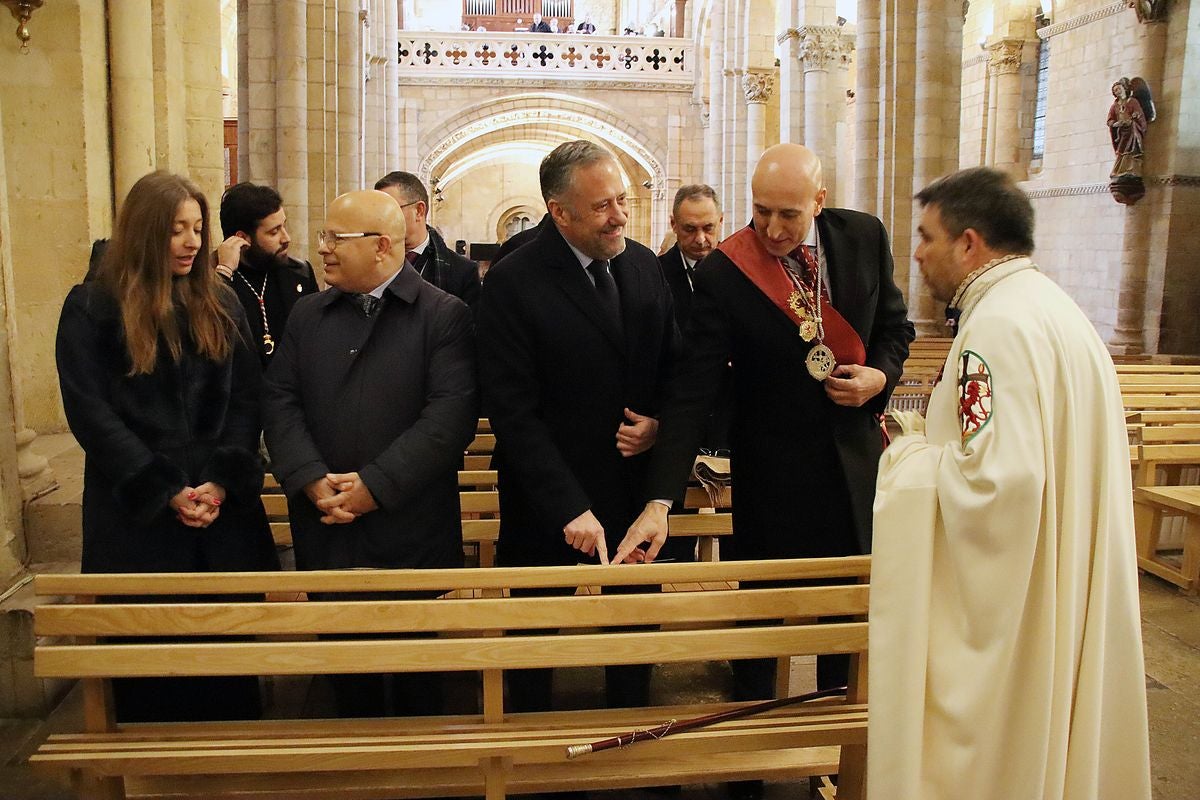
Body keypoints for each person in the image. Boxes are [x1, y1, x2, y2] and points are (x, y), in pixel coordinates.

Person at [868, 167, 1152, 799]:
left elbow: (999, 487)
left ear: (969, 243)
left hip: (1017, 609)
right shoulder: (1058, 311)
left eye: (926, 236)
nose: (916, 253)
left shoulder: (994, 330)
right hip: (1057, 578)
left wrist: (908, 452)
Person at [614, 143, 914, 698]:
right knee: (760, 626)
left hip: (855, 470)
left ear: (819, 201)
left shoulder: (865, 237)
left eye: (789, 214)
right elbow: (692, 391)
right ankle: (750, 749)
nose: (772, 229)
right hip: (772, 474)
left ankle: (835, 745)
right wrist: (659, 501)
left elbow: (896, 330)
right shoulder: (725, 274)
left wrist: (880, 378)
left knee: (848, 626)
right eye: (760, 211)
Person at [55, 171, 279, 723]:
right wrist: (165, 488)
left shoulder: (220, 301)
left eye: (198, 228)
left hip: (220, 517)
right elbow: (90, 412)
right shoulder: (91, 307)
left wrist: (223, 478)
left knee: (226, 674)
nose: (192, 242)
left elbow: (247, 399)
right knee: (152, 678)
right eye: (178, 228)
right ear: (146, 230)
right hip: (137, 520)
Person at [476, 140, 678, 712]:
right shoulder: (515, 282)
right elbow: (512, 410)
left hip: (631, 495)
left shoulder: (641, 265)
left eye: (622, 200)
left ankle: (632, 758)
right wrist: (566, 505)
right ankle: (535, 766)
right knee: (535, 651)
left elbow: (672, 366)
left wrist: (659, 423)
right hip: (548, 503)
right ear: (558, 211)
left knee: (633, 646)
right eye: (601, 206)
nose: (618, 215)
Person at [263, 189, 477, 717]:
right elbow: (279, 400)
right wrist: (311, 478)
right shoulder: (307, 314)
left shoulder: (442, 315)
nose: (323, 249)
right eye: (324, 237)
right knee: (345, 683)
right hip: (326, 526)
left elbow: (449, 420)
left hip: (409, 529)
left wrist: (374, 488)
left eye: (336, 238)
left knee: (416, 685)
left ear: (383, 246)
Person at [215, 182, 320, 368]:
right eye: (274, 232)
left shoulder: (300, 274)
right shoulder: (214, 279)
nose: (286, 238)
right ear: (242, 238)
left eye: (284, 226)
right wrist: (224, 273)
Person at [374, 171, 481, 306]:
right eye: (378, 212)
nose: (380, 219)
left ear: (419, 211)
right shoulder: (369, 263)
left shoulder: (462, 271)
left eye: (390, 210)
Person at [661, 184, 723, 330]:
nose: (700, 239)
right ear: (673, 224)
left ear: (720, 221)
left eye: (708, 228)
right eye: (690, 229)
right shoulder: (655, 273)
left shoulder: (737, 270)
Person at [1107, 77, 1147, 178]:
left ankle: (1132, 169)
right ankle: (1118, 170)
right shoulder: (1114, 106)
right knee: (1121, 150)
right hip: (1121, 131)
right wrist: (1116, 124)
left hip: (1131, 128)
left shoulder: (1132, 101)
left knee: (1132, 148)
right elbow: (1110, 120)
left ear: (1124, 89)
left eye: (1119, 88)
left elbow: (1138, 113)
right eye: (1115, 90)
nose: (1117, 91)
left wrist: (1135, 115)